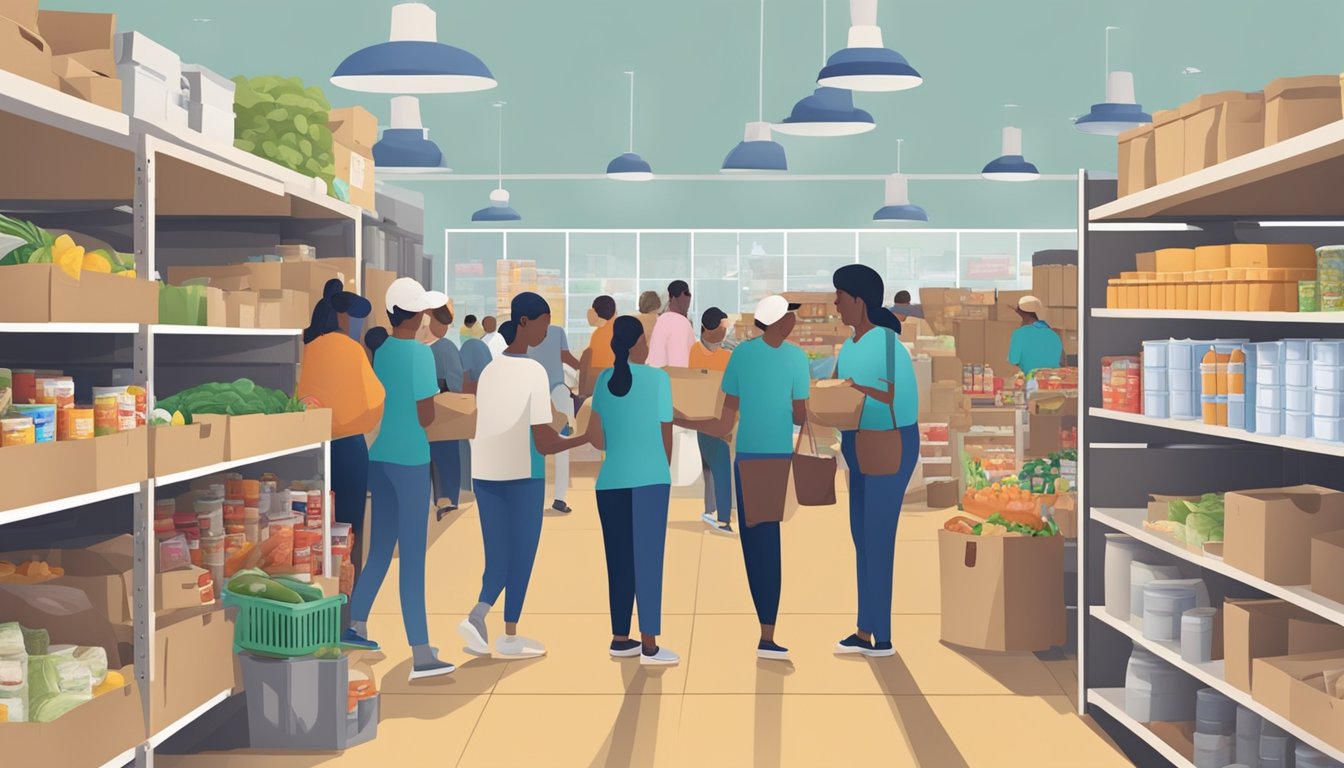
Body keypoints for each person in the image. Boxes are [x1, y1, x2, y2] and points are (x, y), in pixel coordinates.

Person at [677, 295, 808, 662]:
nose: (794, 322)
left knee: (755, 547)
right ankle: (769, 633)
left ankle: (764, 630)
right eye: (791, 316)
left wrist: (680, 419)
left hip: (747, 460)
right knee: (772, 544)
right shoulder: (796, 358)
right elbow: (800, 416)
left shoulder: (741, 357)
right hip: (777, 462)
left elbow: (723, 422)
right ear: (781, 322)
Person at [459, 293, 589, 659]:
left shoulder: (490, 371)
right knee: (522, 556)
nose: (547, 332)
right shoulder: (533, 372)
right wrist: (582, 438)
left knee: (498, 555)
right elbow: (544, 441)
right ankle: (508, 634)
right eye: (543, 324)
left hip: (485, 474)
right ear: (523, 322)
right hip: (522, 475)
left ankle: (479, 616)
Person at [346, 277, 455, 680]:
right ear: (419, 314)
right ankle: (422, 653)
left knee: (379, 551)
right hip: (410, 460)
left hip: (381, 458)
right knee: (412, 559)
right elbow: (426, 416)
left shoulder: (382, 351)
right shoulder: (420, 356)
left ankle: (356, 626)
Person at [831, 264, 921, 659]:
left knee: (878, 537)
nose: (835, 303)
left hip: (889, 442)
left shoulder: (889, 345)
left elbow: (892, 398)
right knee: (861, 537)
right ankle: (864, 629)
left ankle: (881, 636)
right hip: (857, 444)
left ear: (859, 300)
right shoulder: (848, 346)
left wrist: (852, 389)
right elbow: (837, 390)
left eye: (840, 296)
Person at [585, 316, 679, 666]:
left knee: (620, 561)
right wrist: (660, 467)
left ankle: (620, 638)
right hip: (650, 480)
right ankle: (650, 645)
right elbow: (665, 434)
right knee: (649, 561)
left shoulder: (604, 381)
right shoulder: (658, 379)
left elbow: (596, 438)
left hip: (610, 482)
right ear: (638, 343)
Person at [296, 280, 384, 583]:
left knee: (313, 526)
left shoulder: (308, 346)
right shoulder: (351, 350)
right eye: (356, 317)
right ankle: (346, 596)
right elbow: (374, 401)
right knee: (347, 529)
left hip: (308, 446)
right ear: (342, 317)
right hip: (347, 448)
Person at [525, 320, 582, 514]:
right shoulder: (557, 331)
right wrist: (585, 367)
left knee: (534, 447)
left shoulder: (525, 332)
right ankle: (559, 498)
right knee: (562, 444)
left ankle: (536, 499)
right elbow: (565, 357)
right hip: (557, 392)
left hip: (534, 393)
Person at [688, 307, 734, 535]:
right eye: (722, 327)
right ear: (707, 327)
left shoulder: (722, 354)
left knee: (717, 463)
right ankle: (716, 512)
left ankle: (720, 513)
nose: (724, 332)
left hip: (715, 417)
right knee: (713, 464)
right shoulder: (698, 353)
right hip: (705, 416)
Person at [427, 303, 467, 520]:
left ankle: (440, 499)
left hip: (425, 407)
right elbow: (455, 381)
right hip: (445, 406)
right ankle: (448, 500)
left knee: (434, 456)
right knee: (447, 455)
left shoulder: (422, 347)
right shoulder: (447, 348)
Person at [1008, 295, 1065, 376]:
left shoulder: (1019, 334)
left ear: (1020, 312)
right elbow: (1062, 362)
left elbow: (1013, 360)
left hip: (1031, 382)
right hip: (1053, 382)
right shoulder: (1053, 334)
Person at [647, 280, 695, 368]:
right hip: (676, 377)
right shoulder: (682, 323)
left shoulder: (661, 320)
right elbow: (681, 361)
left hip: (657, 375)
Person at [578, 295, 617, 398]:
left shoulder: (597, 334)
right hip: (615, 380)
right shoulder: (619, 329)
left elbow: (586, 362)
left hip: (596, 382)